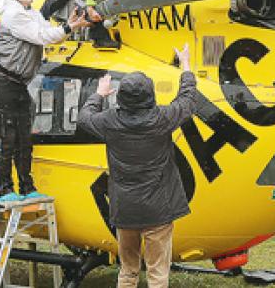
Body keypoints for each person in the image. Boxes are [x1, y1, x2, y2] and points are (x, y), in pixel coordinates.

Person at [77, 44, 198, 288]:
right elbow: (188, 100)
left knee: (128, 270)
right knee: (157, 273)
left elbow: (84, 117)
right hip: (158, 211)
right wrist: (185, 65)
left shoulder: (109, 121)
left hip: (125, 210)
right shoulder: (162, 119)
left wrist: (99, 94)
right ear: (149, 95)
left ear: (121, 96)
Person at [0, 0, 90, 201]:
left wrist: (70, 24)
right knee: (7, 138)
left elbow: (52, 32)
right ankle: (5, 189)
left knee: (24, 138)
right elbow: (43, 36)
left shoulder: (32, 14)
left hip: (19, 83)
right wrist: (68, 27)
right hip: (3, 81)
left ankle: (27, 187)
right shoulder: (14, 15)